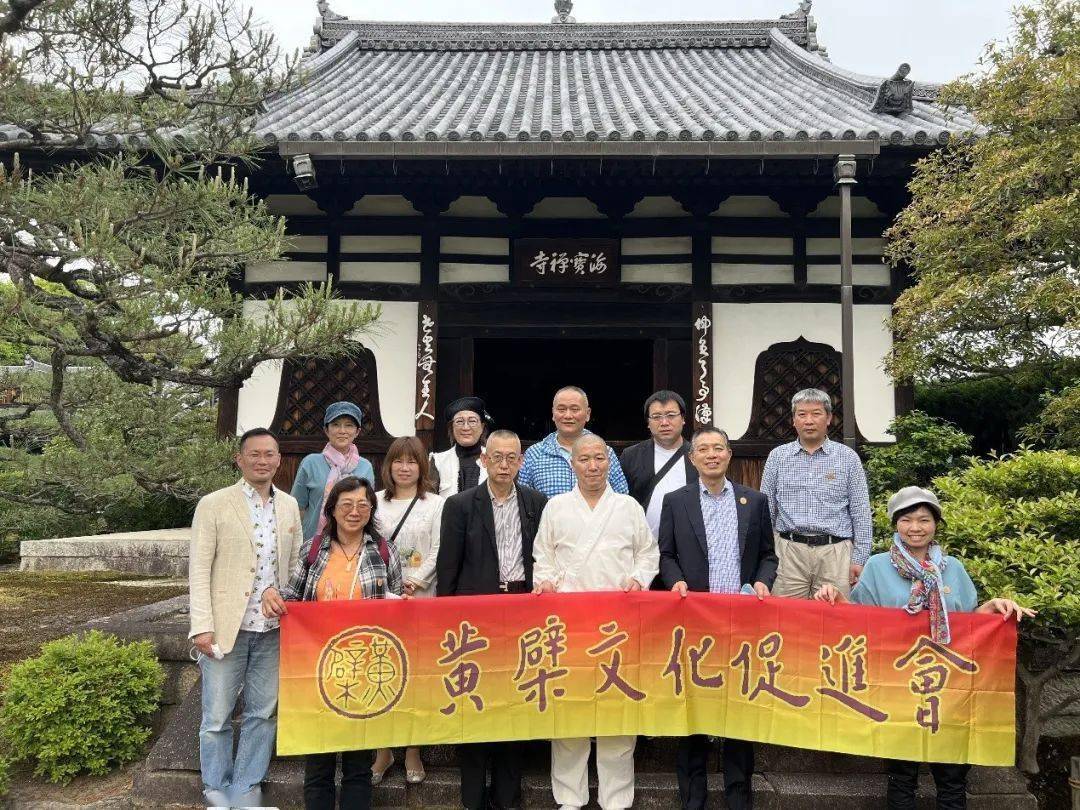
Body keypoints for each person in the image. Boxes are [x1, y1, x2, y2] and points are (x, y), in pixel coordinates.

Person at [814, 486, 1034, 810]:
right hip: (898, 687)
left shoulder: (953, 569)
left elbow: (968, 625)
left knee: (953, 776)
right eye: (906, 520)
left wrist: (993, 607)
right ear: (895, 524)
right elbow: (861, 620)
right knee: (902, 777)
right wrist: (836, 598)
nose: (915, 527)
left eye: (924, 520)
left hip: (950, 690)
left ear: (935, 525)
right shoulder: (876, 567)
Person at [532, 433, 659, 810]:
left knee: (617, 711)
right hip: (570, 623)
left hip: (617, 623)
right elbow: (543, 556)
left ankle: (616, 799)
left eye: (599, 458)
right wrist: (547, 582)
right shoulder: (556, 507)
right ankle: (569, 797)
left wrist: (639, 579)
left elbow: (648, 554)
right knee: (570, 709)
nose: (592, 465)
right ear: (573, 464)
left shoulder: (628, 507)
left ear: (609, 463)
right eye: (584, 459)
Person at [262, 476, 404, 810]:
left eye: (363, 505)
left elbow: (396, 607)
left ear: (371, 510)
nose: (355, 512)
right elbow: (292, 596)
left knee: (358, 765)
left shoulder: (384, 550)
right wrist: (271, 594)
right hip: (318, 669)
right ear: (332, 510)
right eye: (346, 505)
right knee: (319, 764)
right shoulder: (313, 549)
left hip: (366, 669)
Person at [657, 427, 777, 810]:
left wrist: (761, 582)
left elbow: (767, 555)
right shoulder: (677, 501)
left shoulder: (754, 500)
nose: (711, 455)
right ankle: (692, 797)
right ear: (693, 459)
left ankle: (739, 796)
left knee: (738, 709)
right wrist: (675, 583)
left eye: (718, 449)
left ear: (729, 456)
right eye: (703, 449)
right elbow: (667, 555)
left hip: (741, 622)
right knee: (693, 709)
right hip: (695, 620)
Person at [188, 428, 304, 809]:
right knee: (218, 714)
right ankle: (216, 788)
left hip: (272, 629)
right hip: (226, 626)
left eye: (269, 454)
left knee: (263, 712)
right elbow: (199, 568)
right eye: (254, 454)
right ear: (239, 459)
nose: (262, 461)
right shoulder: (215, 504)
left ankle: (247, 786)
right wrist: (201, 624)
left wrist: (288, 602)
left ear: (278, 459)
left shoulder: (288, 505)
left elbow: (293, 566)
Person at [436, 429, 548, 810]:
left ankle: (508, 795)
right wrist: (446, 619)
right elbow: (447, 567)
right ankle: (473, 797)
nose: (504, 464)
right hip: (474, 616)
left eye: (511, 457)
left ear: (521, 461)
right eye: (496, 457)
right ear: (484, 460)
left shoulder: (536, 502)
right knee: (475, 700)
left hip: (522, 612)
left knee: (514, 701)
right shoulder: (461, 505)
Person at [371, 436, 444, 785]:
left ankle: (413, 748)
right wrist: (389, 585)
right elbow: (367, 545)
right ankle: (383, 749)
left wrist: (414, 580)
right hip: (382, 599)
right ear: (389, 466)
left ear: (421, 466)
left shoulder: (435, 504)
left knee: (417, 675)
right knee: (384, 672)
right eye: (398, 461)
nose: (404, 467)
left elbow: (440, 548)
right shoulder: (375, 503)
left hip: (422, 598)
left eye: (411, 461)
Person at [759, 388, 871, 599]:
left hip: (835, 553)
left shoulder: (848, 458)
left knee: (833, 618)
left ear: (828, 418)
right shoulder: (778, 457)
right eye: (802, 414)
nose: (808, 420)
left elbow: (861, 511)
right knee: (786, 619)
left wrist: (860, 558)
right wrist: (766, 554)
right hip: (788, 552)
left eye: (816, 413)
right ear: (793, 420)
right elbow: (766, 512)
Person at [518, 385, 628, 498]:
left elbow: (622, 497)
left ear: (588, 414)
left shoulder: (605, 452)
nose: (568, 415)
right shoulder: (534, 454)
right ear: (553, 413)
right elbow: (523, 501)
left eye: (575, 409)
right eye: (561, 409)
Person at [291, 401, 376, 544]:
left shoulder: (365, 467)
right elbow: (297, 508)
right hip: (312, 543)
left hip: (352, 543)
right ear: (326, 430)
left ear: (357, 431)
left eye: (349, 425)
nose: (342, 430)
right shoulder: (310, 462)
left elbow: (367, 508)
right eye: (336, 424)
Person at [619, 389, 697, 538]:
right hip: (643, 546)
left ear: (683, 419)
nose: (664, 422)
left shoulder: (698, 455)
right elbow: (620, 500)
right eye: (656, 417)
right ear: (648, 422)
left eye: (671, 415)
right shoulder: (631, 456)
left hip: (688, 546)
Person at [430, 396, 491, 497]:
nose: (466, 427)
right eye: (459, 421)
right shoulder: (438, 461)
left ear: (482, 427)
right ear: (452, 428)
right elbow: (429, 501)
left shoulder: (493, 459)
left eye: (472, 421)